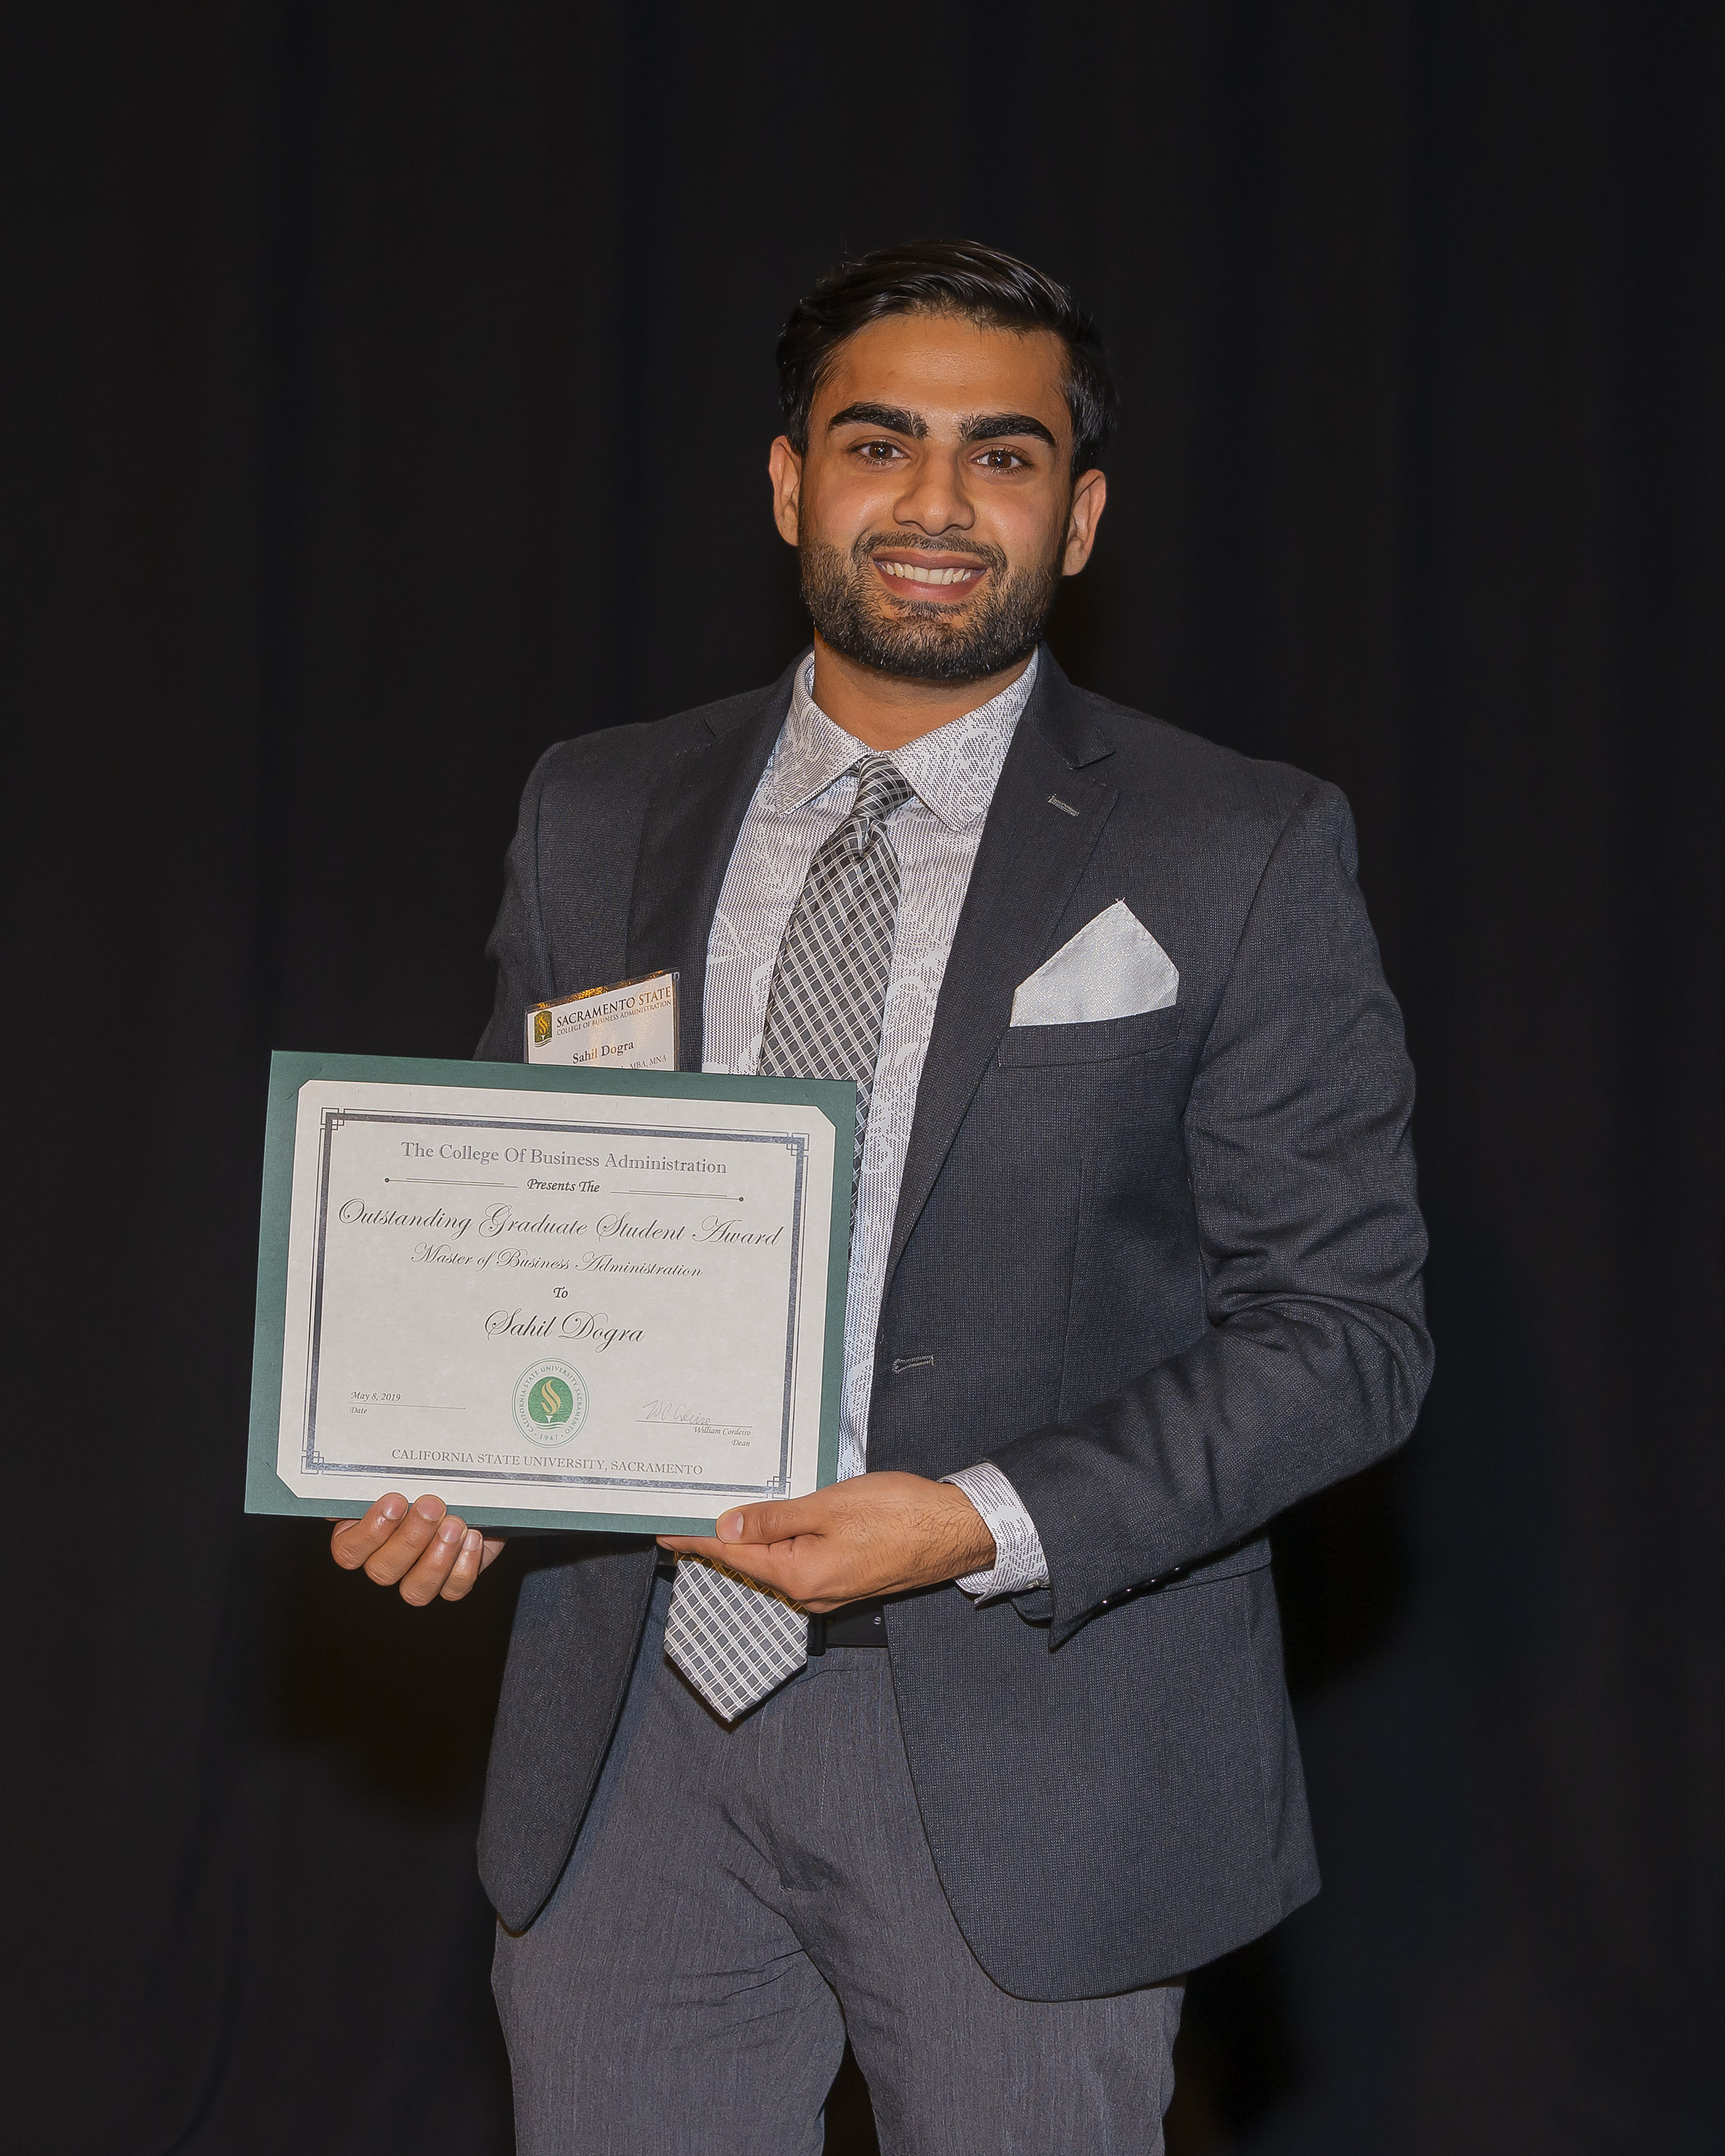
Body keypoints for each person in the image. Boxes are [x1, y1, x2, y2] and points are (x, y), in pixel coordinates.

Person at [329, 239, 1432, 2155]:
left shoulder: (1239, 846)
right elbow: (518, 1217)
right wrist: (450, 1457)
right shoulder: (596, 808)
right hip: (633, 1732)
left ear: (1080, 518)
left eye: (1002, 458)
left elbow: (1344, 1341)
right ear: (790, 483)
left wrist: (971, 1522)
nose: (934, 506)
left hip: (1034, 1740)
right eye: (879, 445)